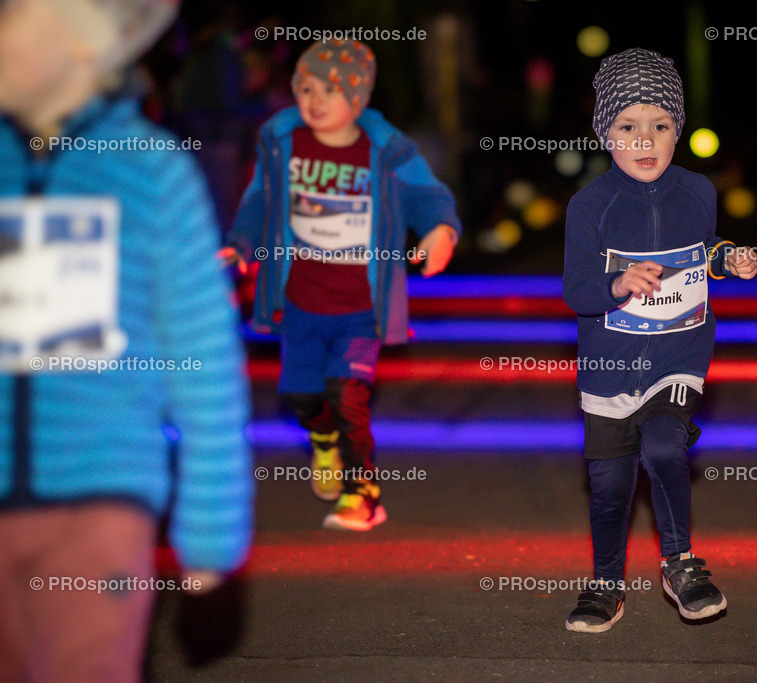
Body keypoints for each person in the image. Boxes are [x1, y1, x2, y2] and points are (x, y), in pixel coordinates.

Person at [0, 0, 253, 679]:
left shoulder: (149, 174)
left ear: (86, 45)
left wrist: (209, 528)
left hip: (102, 503)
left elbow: (203, 366)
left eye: (14, 20)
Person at [562, 48, 757, 633]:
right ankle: (605, 584)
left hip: (678, 354)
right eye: (628, 127)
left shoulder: (698, 191)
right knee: (610, 483)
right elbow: (575, 291)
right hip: (609, 365)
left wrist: (728, 259)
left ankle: (681, 565)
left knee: (666, 449)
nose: (645, 140)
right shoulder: (589, 205)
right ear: (605, 133)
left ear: (678, 131)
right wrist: (616, 282)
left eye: (660, 125)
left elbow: (705, 247)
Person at [228, 40, 461, 531]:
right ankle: (323, 442)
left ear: (357, 100)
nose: (314, 101)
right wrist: (242, 244)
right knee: (304, 397)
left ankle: (362, 494)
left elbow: (427, 194)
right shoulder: (282, 143)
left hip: (361, 305)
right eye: (306, 88)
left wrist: (440, 229)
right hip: (301, 303)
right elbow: (258, 203)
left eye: (330, 92)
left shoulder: (385, 149)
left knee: (348, 395)